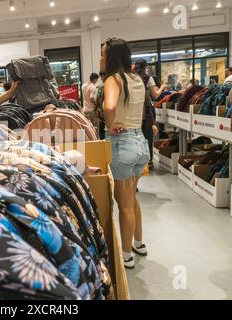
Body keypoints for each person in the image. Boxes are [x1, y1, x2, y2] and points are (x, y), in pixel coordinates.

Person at [101, 38, 150, 269]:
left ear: (111, 57)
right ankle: (139, 243)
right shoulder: (137, 79)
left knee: (124, 205)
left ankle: (126, 255)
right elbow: (140, 115)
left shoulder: (113, 79)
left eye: (103, 54)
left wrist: (111, 125)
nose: (101, 59)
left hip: (122, 145)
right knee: (133, 199)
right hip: (140, 143)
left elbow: (109, 106)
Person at [134, 59, 162, 168]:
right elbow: (155, 95)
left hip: (134, 113)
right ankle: (149, 161)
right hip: (146, 112)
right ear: (145, 67)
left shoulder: (133, 78)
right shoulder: (148, 78)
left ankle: (138, 161)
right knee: (148, 136)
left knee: (137, 137)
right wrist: (162, 88)